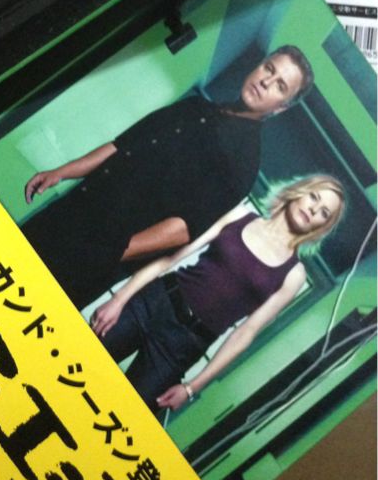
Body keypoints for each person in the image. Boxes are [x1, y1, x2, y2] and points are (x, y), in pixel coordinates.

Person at [21, 46, 315, 309]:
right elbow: (121, 145)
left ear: (280, 107)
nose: (266, 81)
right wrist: (62, 172)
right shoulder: (195, 106)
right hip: (71, 211)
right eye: (269, 68)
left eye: (280, 86)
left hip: (101, 249)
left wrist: (113, 253)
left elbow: (184, 228)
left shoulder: (244, 163)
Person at [90, 175, 345, 411]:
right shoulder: (238, 215)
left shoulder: (294, 274)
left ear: (323, 227)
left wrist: (192, 387)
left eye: (324, 212)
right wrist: (119, 299)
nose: (314, 209)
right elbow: (170, 258)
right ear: (298, 192)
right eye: (314, 197)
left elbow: (246, 333)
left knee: (122, 414)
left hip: (182, 346)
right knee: (83, 363)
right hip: (154, 303)